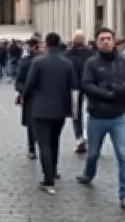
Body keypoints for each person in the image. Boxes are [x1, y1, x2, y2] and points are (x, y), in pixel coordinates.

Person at [76, 27, 125, 215]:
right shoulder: (91, 63)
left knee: (124, 156)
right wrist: (106, 93)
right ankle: (88, 173)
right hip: (97, 116)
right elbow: (86, 84)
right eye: (102, 39)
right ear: (96, 42)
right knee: (93, 153)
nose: (106, 42)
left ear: (114, 41)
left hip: (119, 116)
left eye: (109, 38)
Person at [23, 32, 77, 194]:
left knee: (44, 144)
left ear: (46, 44)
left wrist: (24, 96)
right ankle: (53, 170)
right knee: (55, 142)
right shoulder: (67, 64)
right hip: (60, 109)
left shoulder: (38, 62)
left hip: (40, 109)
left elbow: (29, 84)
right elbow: (73, 86)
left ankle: (49, 180)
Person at [64, 30, 93, 154]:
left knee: (77, 114)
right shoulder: (91, 54)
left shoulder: (66, 55)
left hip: (74, 87)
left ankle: (79, 138)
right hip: (90, 86)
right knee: (93, 112)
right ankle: (90, 138)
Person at [15, 38, 40, 159]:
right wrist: (23, 91)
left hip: (42, 96)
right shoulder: (24, 62)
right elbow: (18, 81)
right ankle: (31, 146)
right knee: (31, 123)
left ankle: (37, 145)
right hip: (30, 96)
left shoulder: (42, 60)